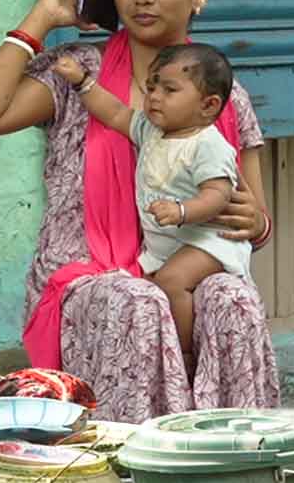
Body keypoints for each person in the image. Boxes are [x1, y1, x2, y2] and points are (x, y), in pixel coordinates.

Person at [0, 0, 279, 422]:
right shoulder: (76, 73)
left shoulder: (223, 97)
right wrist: (42, 18)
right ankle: (135, 457)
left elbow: (256, 220)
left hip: (185, 264)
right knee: (139, 302)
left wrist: (254, 222)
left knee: (233, 299)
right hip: (91, 274)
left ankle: (236, 452)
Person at [52, 43, 251, 375]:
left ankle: (184, 355)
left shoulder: (208, 145)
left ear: (209, 105)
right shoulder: (151, 131)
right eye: (152, 87)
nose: (155, 96)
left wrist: (182, 210)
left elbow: (218, 195)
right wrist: (82, 82)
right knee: (145, 292)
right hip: (164, 247)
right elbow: (115, 113)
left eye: (169, 90)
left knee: (172, 281)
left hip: (208, 241)